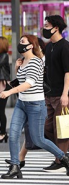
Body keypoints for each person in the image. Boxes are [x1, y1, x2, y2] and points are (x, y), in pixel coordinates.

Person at [0, 34, 69, 179]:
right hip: (21, 104)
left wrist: (9, 92)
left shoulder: (36, 62)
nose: (20, 44)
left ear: (31, 45)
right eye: (20, 41)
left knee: (38, 140)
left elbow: (28, 84)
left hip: (36, 105)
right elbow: (21, 80)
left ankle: (64, 158)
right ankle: (14, 166)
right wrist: (18, 68)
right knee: (13, 134)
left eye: (22, 41)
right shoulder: (23, 61)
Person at [42, 15, 69, 172]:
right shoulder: (49, 47)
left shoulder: (64, 47)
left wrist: (65, 94)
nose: (44, 29)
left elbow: (68, 72)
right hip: (49, 94)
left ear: (56, 28)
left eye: (47, 26)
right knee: (47, 128)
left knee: (60, 128)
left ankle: (60, 160)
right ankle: (63, 153)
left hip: (61, 95)